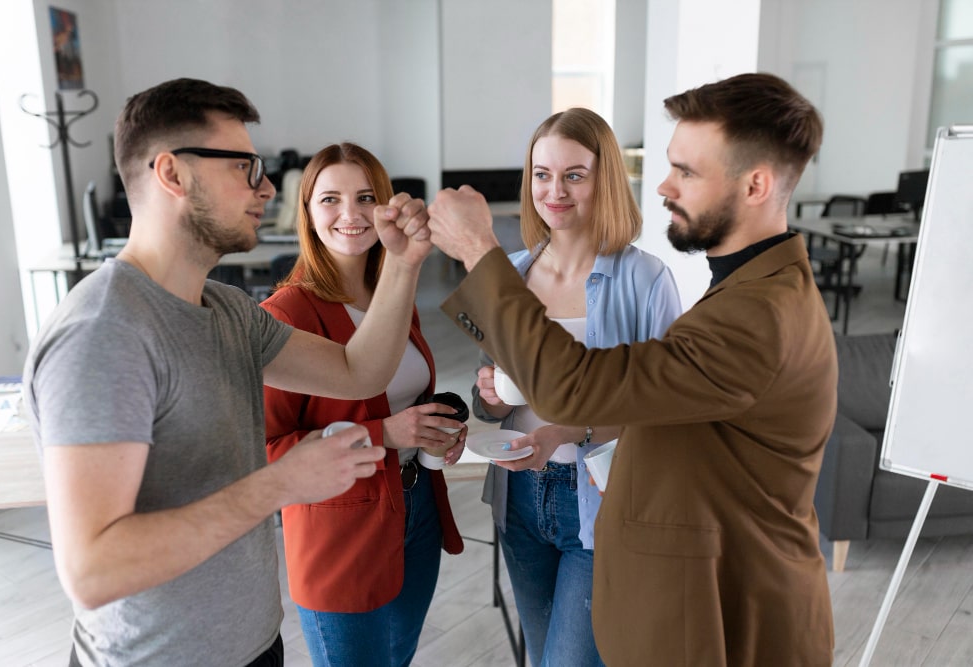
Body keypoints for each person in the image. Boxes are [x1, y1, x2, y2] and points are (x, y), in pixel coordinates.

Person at [427, 72, 837, 666]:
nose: (665, 187)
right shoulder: (751, 293)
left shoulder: (756, 317)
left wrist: (476, 251)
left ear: (755, 185)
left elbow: (576, 389)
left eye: (688, 172)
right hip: (662, 571)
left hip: (726, 611)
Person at [22, 78, 432, 667]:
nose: (266, 187)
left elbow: (358, 370)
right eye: (245, 166)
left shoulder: (229, 310)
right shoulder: (105, 332)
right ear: (172, 174)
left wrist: (402, 263)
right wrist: (284, 481)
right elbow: (93, 570)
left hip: (254, 644)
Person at [470, 108, 681, 666]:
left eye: (574, 175)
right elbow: (489, 398)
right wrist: (487, 391)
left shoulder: (644, 279)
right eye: (542, 174)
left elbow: (667, 409)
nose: (554, 190)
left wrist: (567, 429)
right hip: (518, 495)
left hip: (599, 499)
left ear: (603, 178)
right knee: (541, 657)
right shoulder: (509, 275)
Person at [260, 142, 465, 666]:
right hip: (339, 532)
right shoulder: (284, 316)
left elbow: (407, 399)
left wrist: (435, 431)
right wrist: (386, 435)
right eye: (329, 199)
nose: (349, 215)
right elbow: (262, 451)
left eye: (365, 197)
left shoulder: (392, 297)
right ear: (306, 212)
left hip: (415, 508)